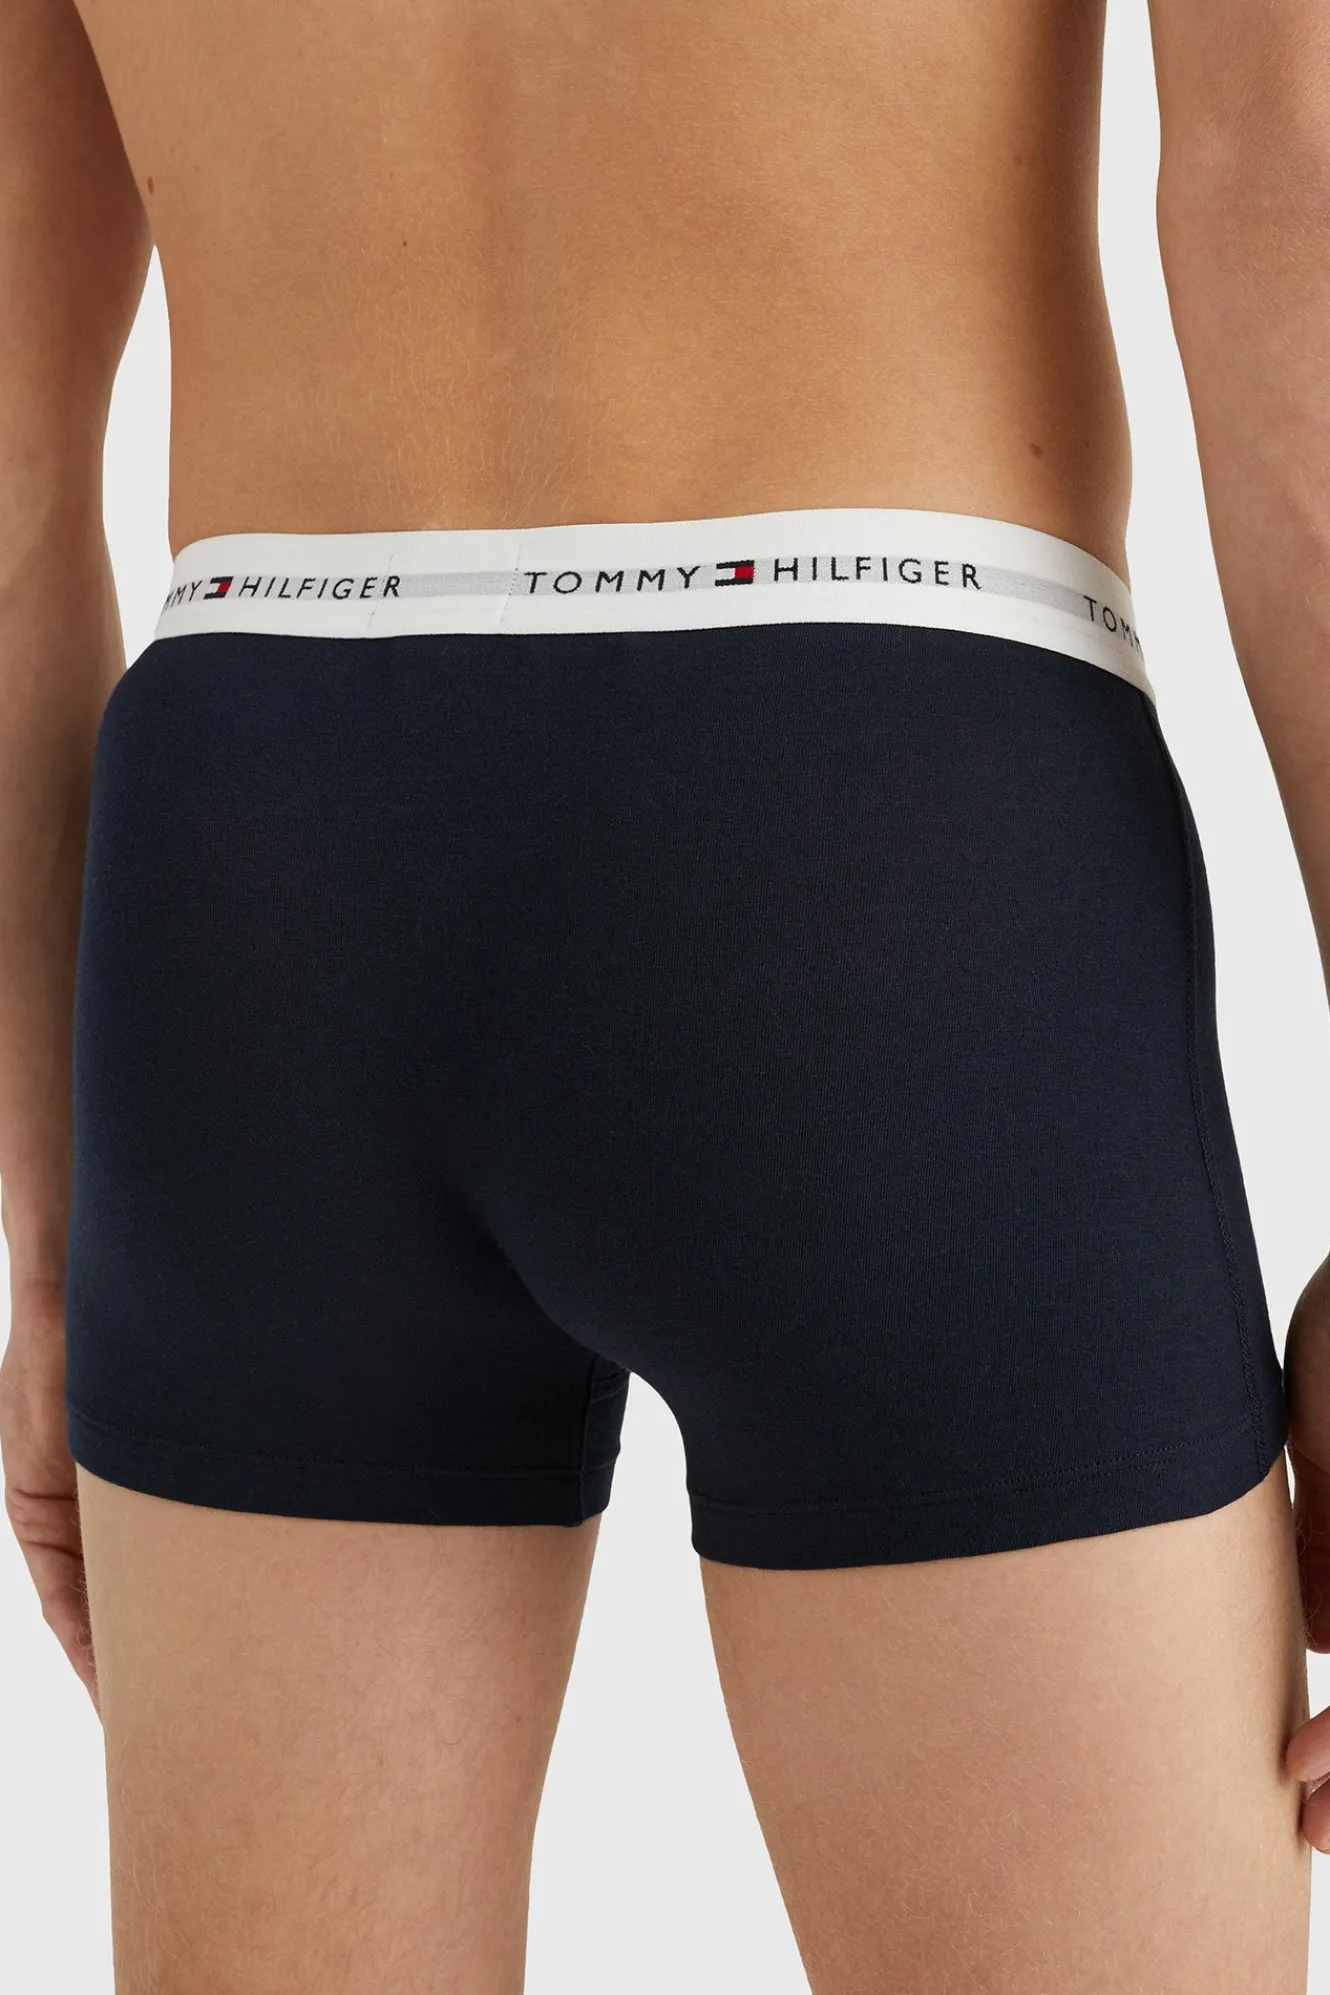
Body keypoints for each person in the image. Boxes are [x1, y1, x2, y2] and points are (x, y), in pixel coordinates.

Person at [1, 0, 1327, 1987]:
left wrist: (54, 1235)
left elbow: (12, 465)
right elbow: (1281, 187)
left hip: (252, 866)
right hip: (879, 830)